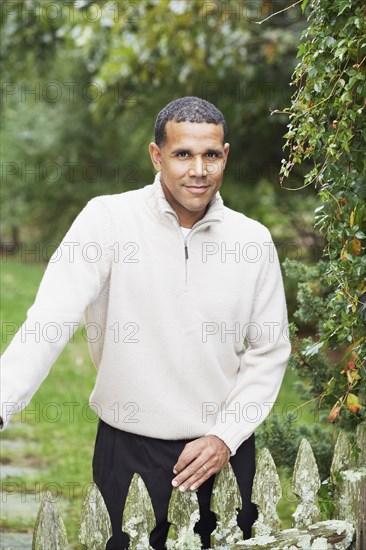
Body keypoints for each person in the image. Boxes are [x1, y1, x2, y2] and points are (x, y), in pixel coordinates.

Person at [0, 96, 291, 549]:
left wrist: (225, 436)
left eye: (210, 155)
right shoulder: (107, 220)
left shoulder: (252, 240)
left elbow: (269, 352)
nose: (199, 169)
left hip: (221, 454)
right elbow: (51, 319)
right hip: (127, 451)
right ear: (157, 156)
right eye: (183, 154)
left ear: (225, 156)